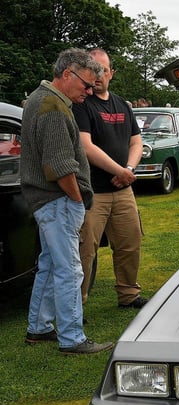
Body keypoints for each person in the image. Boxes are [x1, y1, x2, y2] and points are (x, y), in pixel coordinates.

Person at [19, 48, 113, 355]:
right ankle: (72, 338)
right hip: (57, 200)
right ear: (67, 74)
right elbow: (59, 167)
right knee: (70, 269)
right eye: (87, 84)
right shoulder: (54, 107)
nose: (90, 90)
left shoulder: (42, 99)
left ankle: (39, 327)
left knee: (49, 265)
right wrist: (77, 200)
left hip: (47, 199)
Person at [73, 48, 147, 310]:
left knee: (130, 243)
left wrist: (128, 169)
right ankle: (76, 305)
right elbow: (86, 146)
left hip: (122, 189)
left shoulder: (122, 104)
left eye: (103, 70)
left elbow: (136, 142)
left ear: (111, 73)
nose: (98, 76)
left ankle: (128, 294)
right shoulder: (81, 105)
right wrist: (121, 172)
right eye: (93, 70)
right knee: (85, 252)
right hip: (93, 192)